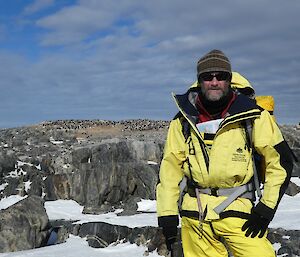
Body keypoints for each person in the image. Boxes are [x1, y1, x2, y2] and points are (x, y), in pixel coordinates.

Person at [156, 49, 293, 257]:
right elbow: (170, 168)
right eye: (207, 77)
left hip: (239, 211)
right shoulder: (182, 120)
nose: (214, 82)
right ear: (199, 81)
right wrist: (167, 214)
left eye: (221, 76)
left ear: (229, 79)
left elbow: (280, 162)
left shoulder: (254, 116)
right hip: (195, 215)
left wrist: (266, 208)